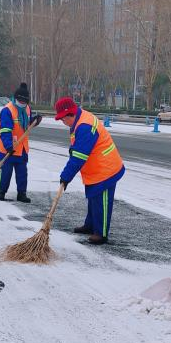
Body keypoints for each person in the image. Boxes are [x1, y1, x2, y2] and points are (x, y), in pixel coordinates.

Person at [54, 96, 124, 245]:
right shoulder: (79, 119)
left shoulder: (84, 126)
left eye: (63, 119)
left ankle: (101, 233)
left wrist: (66, 176)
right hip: (96, 168)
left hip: (106, 168)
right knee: (93, 198)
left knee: (101, 200)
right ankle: (90, 225)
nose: (62, 122)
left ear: (70, 114)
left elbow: (78, 157)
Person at [0, 82, 33, 202]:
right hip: (7, 148)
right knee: (6, 172)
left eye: (24, 102)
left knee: (22, 173)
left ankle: (22, 194)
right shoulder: (7, 110)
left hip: (21, 148)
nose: (22, 104)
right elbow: (5, 130)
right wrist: (8, 146)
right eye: (20, 101)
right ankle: (1, 193)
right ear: (15, 98)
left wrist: (34, 121)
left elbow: (26, 123)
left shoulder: (27, 108)